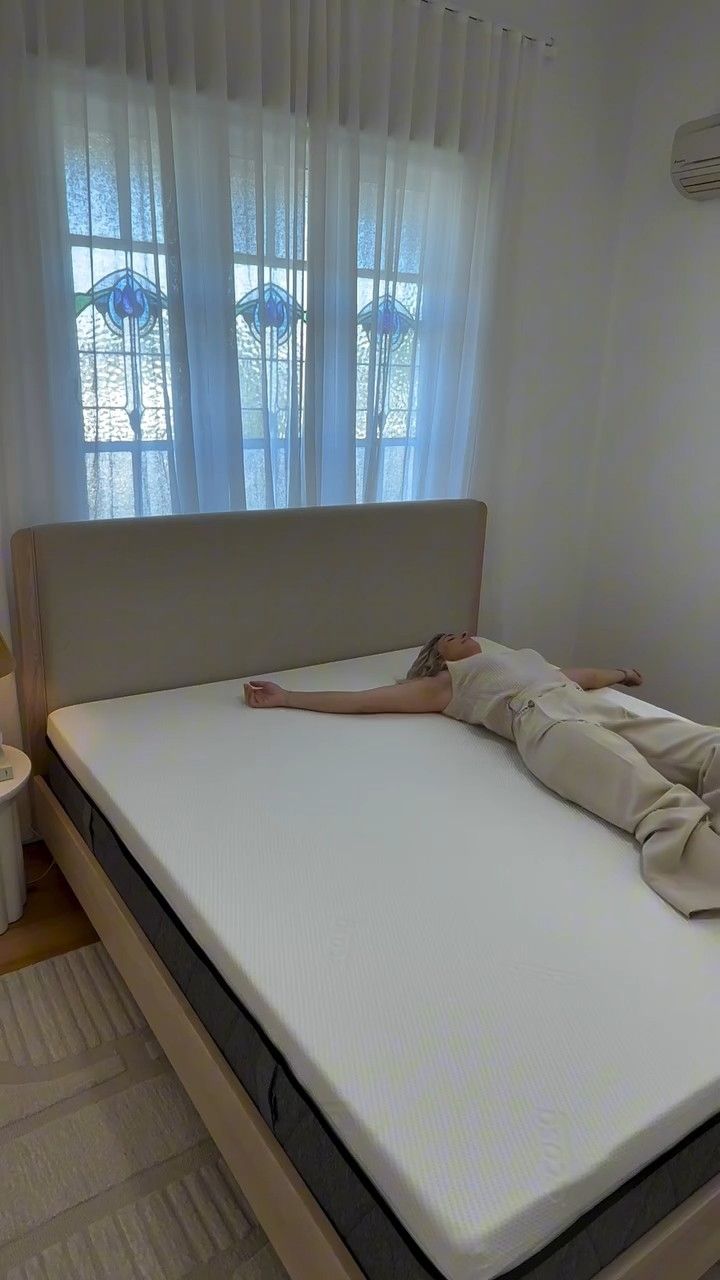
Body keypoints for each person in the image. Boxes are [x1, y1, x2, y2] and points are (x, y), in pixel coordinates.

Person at [244, 633, 720, 916]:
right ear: (439, 658)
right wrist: (288, 697)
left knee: (710, 747)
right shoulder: (447, 683)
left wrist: (620, 673)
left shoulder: (526, 658)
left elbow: (580, 676)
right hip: (547, 725)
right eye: (447, 637)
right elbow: (364, 701)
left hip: (591, 707)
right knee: (658, 801)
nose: (461, 632)